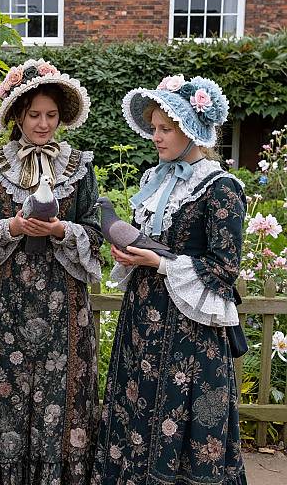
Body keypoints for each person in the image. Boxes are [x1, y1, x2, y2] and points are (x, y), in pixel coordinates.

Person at [92, 75, 248, 484]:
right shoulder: (154, 180)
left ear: (191, 129)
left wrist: (159, 263)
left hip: (189, 331)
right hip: (143, 319)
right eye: (155, 129)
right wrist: (129, 253)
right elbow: (152, 242)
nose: (157, 138)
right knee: (139, 404)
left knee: (181, 412)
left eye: (166, 129)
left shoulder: (220, 188)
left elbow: (225, 266)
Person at [0, 59, 103, 484]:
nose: (44, 125)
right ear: (18, 116)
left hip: (64, 302)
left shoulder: (79, 166)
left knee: (62, 391)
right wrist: (12, 227)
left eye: (52, 116)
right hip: (5, 300)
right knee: (3, 391)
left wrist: (63, 229)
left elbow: (96, 232)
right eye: (35, 115)